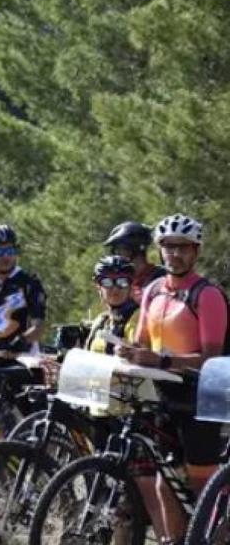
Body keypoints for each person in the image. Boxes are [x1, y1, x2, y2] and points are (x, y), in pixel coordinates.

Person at [119, 214, 227, 542]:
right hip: (163, 395)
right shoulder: (152, 291)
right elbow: (140, 342)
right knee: (163, 482)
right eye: (167, 247)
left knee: (201, 483)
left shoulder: (207, 295)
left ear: (195, 251)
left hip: (200, 397)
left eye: (182, 248)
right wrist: (126, 352)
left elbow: (212, 359)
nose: (174, 254)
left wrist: (162, 359)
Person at [0, 224, 47, 363]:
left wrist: (21, 341)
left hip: (22, 361)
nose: (6, 257)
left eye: (10, 250)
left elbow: (39, 326)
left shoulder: (29, 282)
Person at [85, 256, 140, 355]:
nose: (115, 289)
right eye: (107, 282)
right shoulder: (101, 321)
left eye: (122, 282)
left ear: (131, 286)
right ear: (99, 288)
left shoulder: (139, 319)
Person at [104, 221, 166, 303]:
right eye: (115, 250)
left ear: (136, 248)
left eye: (121, 249)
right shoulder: (123, 281)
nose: (117, 255)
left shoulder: (161, 277)